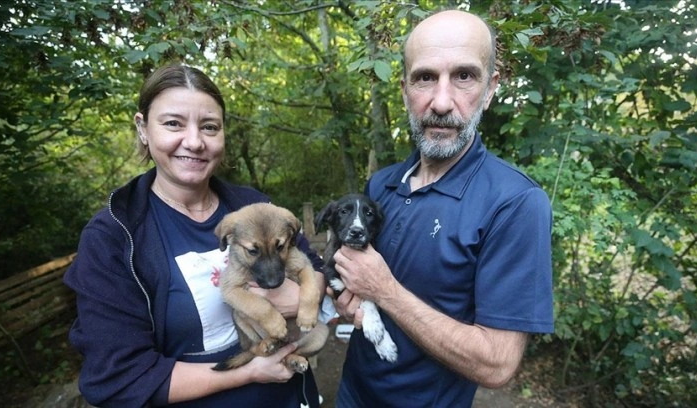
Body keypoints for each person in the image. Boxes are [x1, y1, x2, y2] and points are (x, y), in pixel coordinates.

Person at [64, 63, 326, 407]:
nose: (194, 141)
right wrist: (248, 373)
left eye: (209, 126)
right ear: (143, 128)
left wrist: (307, 295)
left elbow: (314, 267)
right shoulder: (113, 237)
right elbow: (118, 379)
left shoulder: (253, 206)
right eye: (173, 123)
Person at [330, 10, 554, 407]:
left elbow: (496, 366)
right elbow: (356, 288)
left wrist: (385, 291)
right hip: (352, 393)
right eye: (425, 77)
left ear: (489, 89)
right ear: (404, 90)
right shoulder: (380, 185)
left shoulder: (515, 203)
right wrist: (350, 301)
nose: (442, 101)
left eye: (464, 76)